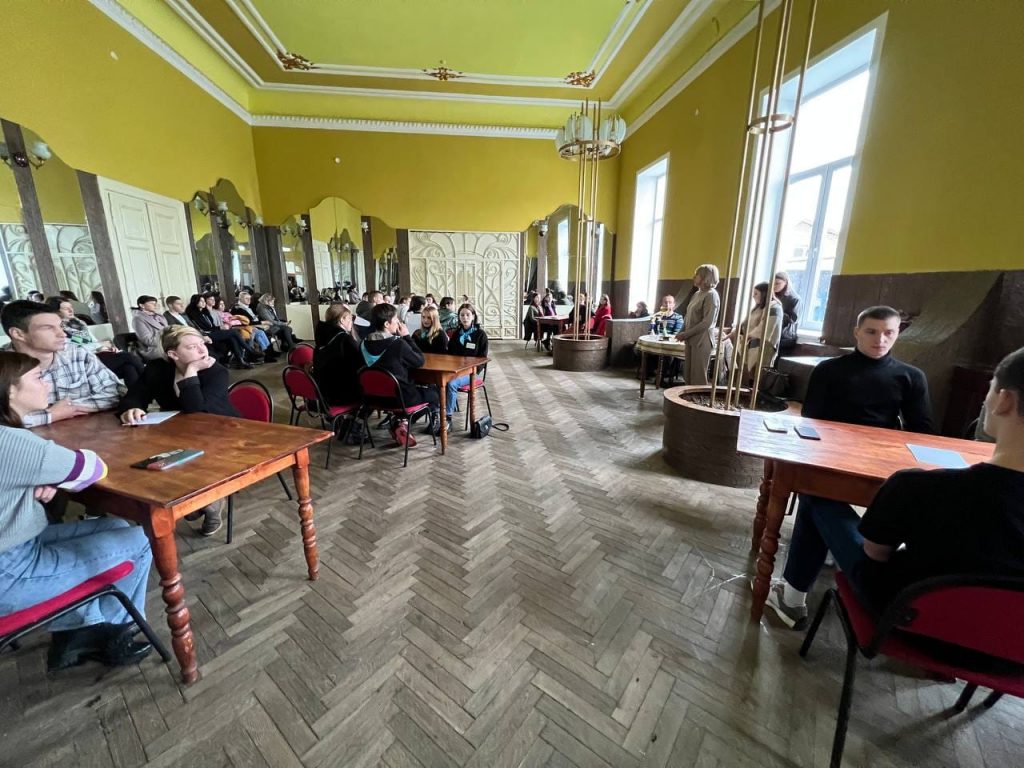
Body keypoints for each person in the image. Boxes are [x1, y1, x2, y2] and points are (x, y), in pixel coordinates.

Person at [767, 346, 1024, 633]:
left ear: (1004, 400)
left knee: (816, 492)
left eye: (991, 387)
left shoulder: (918, 486)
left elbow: (874, 555)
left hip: (908, 619)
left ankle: (791, 599)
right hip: (1007, 647)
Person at [765, 305, 935, 627]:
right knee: (815, 491)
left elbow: (921, 432)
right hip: (830, 458)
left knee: (814, 501)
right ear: (856, 332)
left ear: (898, 334)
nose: (880, 339)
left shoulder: (911, 377)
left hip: (882, 464)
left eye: (888, 333)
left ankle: (793, 596)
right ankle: (797, 591)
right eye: (871, 331)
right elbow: (812, 421)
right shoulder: (829, 371)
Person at [0, 351, 155, 670]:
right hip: (12, 573)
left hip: (17, 548)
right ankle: (114, 636)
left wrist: (50, 476)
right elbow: (92, 468)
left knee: (116, 527)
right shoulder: (11, 442)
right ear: (10, 391)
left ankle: (80, 632)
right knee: (141, 540)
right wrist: (56, 471)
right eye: (38, 377)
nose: (47, 383)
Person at [118, 326, 239, 536]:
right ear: (173, 354)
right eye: (192, 347)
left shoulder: (215, 370)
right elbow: (135, 395)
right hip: (177, 432)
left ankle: (209, 502)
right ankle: (196, 500)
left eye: (202, 344)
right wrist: (131, 408)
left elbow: (196, 410)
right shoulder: (157, 368)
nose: (202, 350)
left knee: (198, 458)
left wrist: (191, 371)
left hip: (222, 432)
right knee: (148, 456)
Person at [0, 300, 123, 427]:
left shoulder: (76, 353)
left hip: (83, 431)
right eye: (48, 328)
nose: (62, 334)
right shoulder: (4, 367)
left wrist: (68, 408)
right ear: (18, 334)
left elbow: (114, 393)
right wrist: (50, 415)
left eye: (60, 326)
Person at [360, 303, 439, 446]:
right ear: (387, 324)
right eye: (396, 319)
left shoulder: (363, 344)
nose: (398, 322)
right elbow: (419, 361)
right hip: (400, 399)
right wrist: (407, 336)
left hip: (374, 399)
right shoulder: (398, 344)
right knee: (434, 393)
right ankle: (402, 422)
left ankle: (400, 422)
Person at [49, 297, 144, 387]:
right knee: (129, 357)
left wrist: (106, 348)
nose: (71, 310)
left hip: (98, 355)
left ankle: (138, 397)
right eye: (66, 309)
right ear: (56, 311)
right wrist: (99, 345)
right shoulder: (58, 329)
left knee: (128, 368)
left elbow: (92, 341)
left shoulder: (80, 323)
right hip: (84, 361)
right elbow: (75, 349)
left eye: (71, 307)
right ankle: (149, 385)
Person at [445, 303, 489, 430]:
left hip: (471, 373)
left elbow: (483, 358)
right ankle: (437, 414)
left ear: (473, 316)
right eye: (462, 315)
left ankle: (448, 418)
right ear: (459, 317)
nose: (465, 318)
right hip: (456, 371)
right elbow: (450, 354)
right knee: (439, 380)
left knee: (451, 384)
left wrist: (473, 371)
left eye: (468, 315)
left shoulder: (480, 334)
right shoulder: (456, 334)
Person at [676, 265, 721, 386]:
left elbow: (707, 322)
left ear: (706, 277)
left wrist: (685, 334)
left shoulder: (711, 295)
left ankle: (698, 398)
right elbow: (688, 315)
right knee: (688, 374)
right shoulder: (697, 294)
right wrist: (681, 331)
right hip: (690, 338)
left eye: (697, 275)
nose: (694, 277)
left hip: (702, 339)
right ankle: (688, 397)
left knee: (698, 376)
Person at [728, 282, 783, 383]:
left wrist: (749, 335)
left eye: (756, 293)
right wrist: (732, 334)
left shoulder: (775, 307)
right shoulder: (758, 307)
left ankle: (756, 392)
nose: (753, 296)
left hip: (764, 346)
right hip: (752, 345)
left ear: (764, 294)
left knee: (759, 375)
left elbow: (766, 327)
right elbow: (745, 324)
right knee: (751, 374)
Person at [186, 294, 256, 369]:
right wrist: (219, 328)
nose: (204, 303)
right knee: (234, 332)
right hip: (207, 334)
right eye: (201, 301)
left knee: (232, 338)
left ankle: (241, 361)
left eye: (204, 301)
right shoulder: (193, 314)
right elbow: (203, 328)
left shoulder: (205, 312)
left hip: (213, 332)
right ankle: (251, 351)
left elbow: (212, 326)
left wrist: (219, 327)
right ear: (195, 302)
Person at [313, 304, 361, 406]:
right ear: (342, 319)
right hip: (342, 394)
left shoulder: (321, 336)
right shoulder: (344, 339)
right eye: (350, 318)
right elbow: (360, 363)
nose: (352, 322)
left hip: (322, 393)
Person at [131, 295, 168, 361]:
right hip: (153, 348)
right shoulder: (138, 319)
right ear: (142, 305)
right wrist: (168, 340)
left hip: (166, 343)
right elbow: (148, 340)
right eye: (151, 303)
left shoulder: (159, 316)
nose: (155, 305)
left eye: (155, 303)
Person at [774, 271, 802, 352]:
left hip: (785, 338)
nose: (774, 286)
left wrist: (776, 312)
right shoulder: (774, 296)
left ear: (786, 283)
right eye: (773, 283)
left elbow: (793, 319)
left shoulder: (795, 299)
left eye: (777, 283)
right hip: (774, 334)